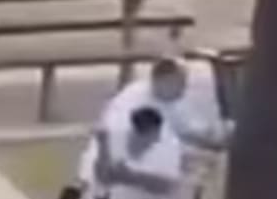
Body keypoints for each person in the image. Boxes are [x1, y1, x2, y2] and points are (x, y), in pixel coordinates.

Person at [59, 106, 187, 199]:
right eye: (145, 136)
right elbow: (101, 177)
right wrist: (104, 148)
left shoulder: (167, 148)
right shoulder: (111, 145)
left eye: (154, 135)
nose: (151, 140)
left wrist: (130, 177)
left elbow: (166, 185)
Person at [98, 57, 232, 152]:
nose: (184, 88)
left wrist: (219, 136)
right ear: (165, 81)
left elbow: (191, 130)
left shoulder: (171, 99)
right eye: (180, 83)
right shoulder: (133, 101)